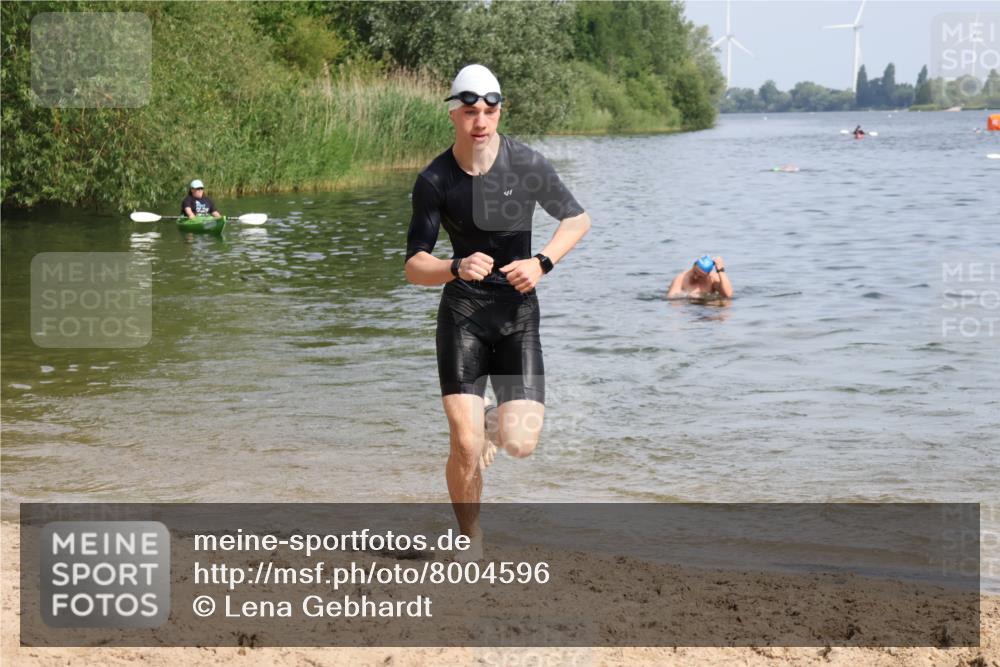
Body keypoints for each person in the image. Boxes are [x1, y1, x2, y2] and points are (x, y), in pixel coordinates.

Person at [404, 64, 590, 560]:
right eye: (469, 112)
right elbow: (414, 266)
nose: (480, 121)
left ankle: (491, 421)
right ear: (454, 116)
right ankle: (470, 538)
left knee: (520, 444)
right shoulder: (435, 179)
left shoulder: (526, 164)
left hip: (517, 316)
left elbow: (578, 219)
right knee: (464, 446)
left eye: (488, 110)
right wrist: (453, 265)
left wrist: (543, 261)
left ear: (499, 110)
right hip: (463, 315)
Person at [667, 255, 733, 299]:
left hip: (708, 308)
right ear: (693, 266)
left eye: (700, 276)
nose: (695, 277)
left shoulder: (712, 279)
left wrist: (721, 270)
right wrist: (686, 296)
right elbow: (671, 298)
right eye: (695, 272)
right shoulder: (681, 278)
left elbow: (728, 295)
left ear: (708, 274)